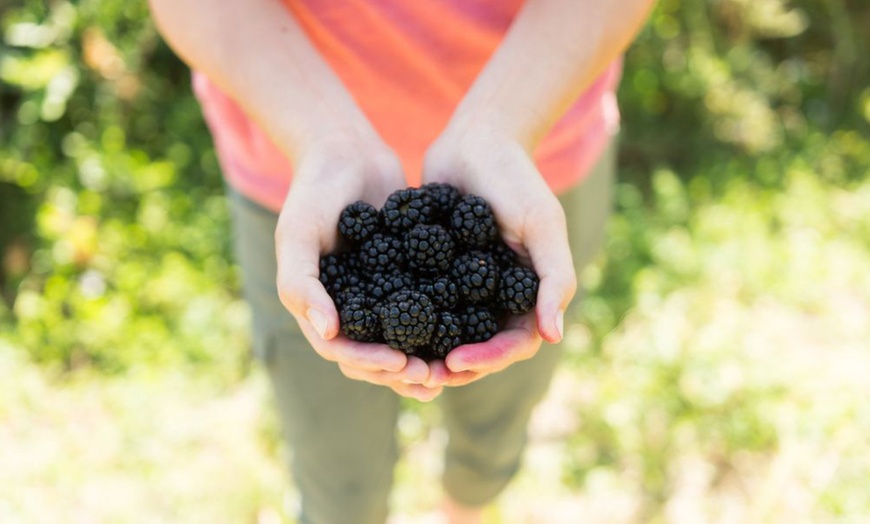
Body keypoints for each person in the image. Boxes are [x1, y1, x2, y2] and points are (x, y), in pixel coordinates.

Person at [148, 1, 655, 522]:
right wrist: (326, 140)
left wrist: (500, 127)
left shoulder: (491, 245)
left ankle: (466, 507)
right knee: (337, 476)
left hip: (534, 164)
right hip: (299, 183)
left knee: (496, 425)